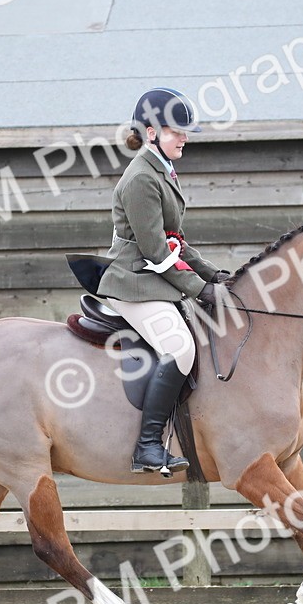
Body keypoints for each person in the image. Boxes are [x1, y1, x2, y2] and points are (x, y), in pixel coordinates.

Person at [94, 88, 230, 473]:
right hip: (132, 282)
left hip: (152, 279)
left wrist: (212, 273)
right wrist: (200, 290)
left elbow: (175, 239)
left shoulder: (161, 169)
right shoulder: (140, 178)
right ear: (151, 132)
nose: (185, 138)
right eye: (177, 131)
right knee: (181, 348)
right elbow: (156, 251)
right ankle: (148, 447)